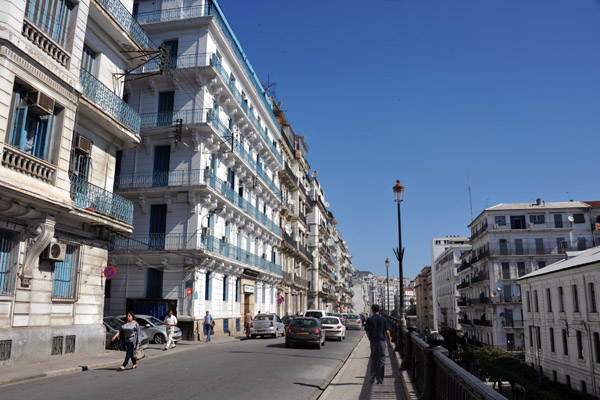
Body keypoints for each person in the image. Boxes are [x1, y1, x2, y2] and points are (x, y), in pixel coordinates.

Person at [365, 304, 393, 384]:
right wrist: (390, 341)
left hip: (373, 341)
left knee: (374, 358)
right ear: (379, 310)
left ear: (372, 310)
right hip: (381, 342)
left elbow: (367, 331)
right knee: (381, 359)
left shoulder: (370, 319)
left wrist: (370, 338)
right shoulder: (383, 319)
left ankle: (372, 375)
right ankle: (379, 379)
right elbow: (387, 331)